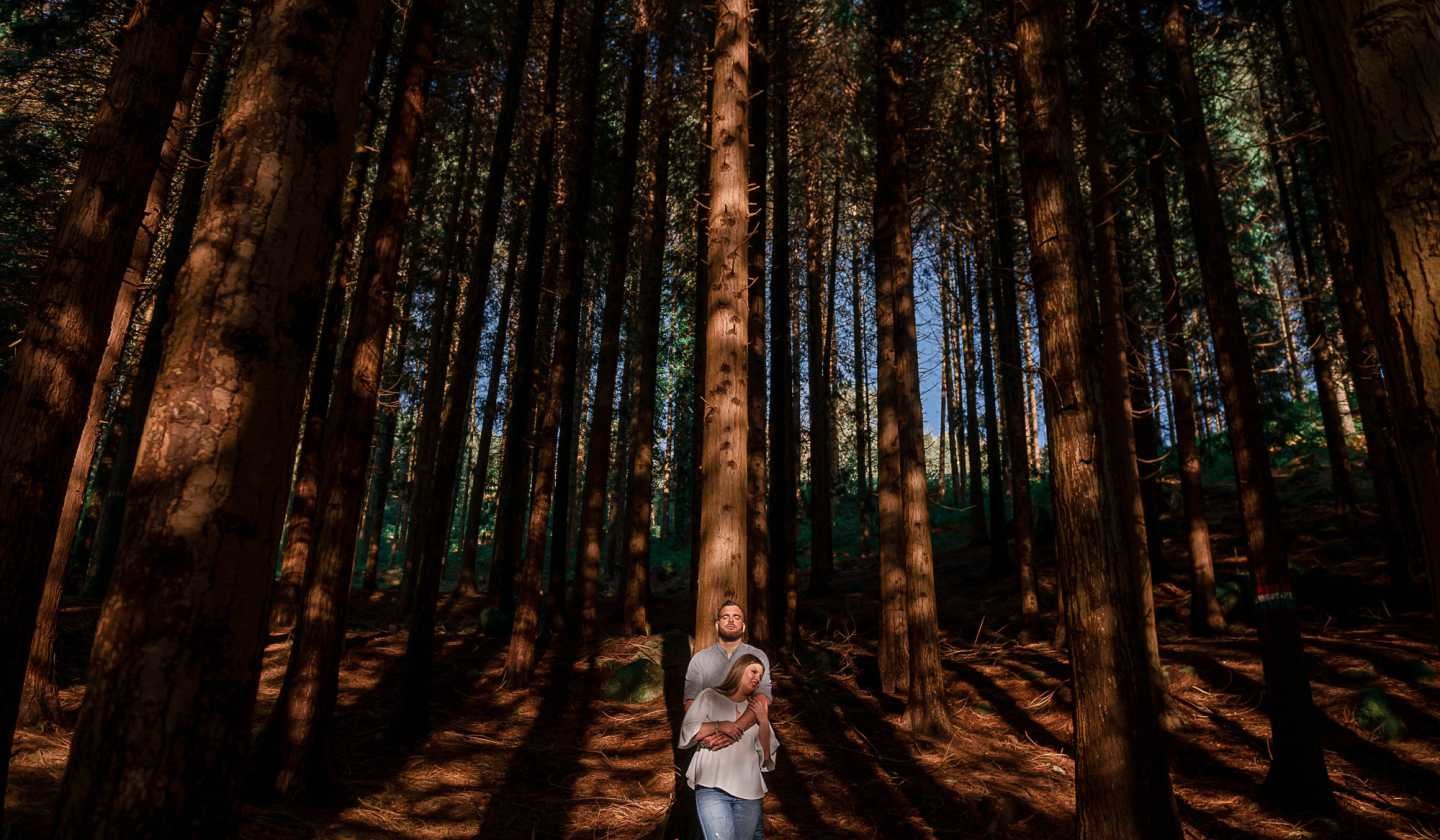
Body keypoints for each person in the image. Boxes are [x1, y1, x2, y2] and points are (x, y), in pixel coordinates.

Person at [678, 654, 777, 840]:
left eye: (760, 675)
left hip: (749, 792)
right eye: (753, 671)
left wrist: (763, 721)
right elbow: (688, 732)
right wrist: (719, 725)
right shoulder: (709, 696)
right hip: (712, 787)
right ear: (739, 670)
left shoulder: (755, 708)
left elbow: (766, 754)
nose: (757, 678)